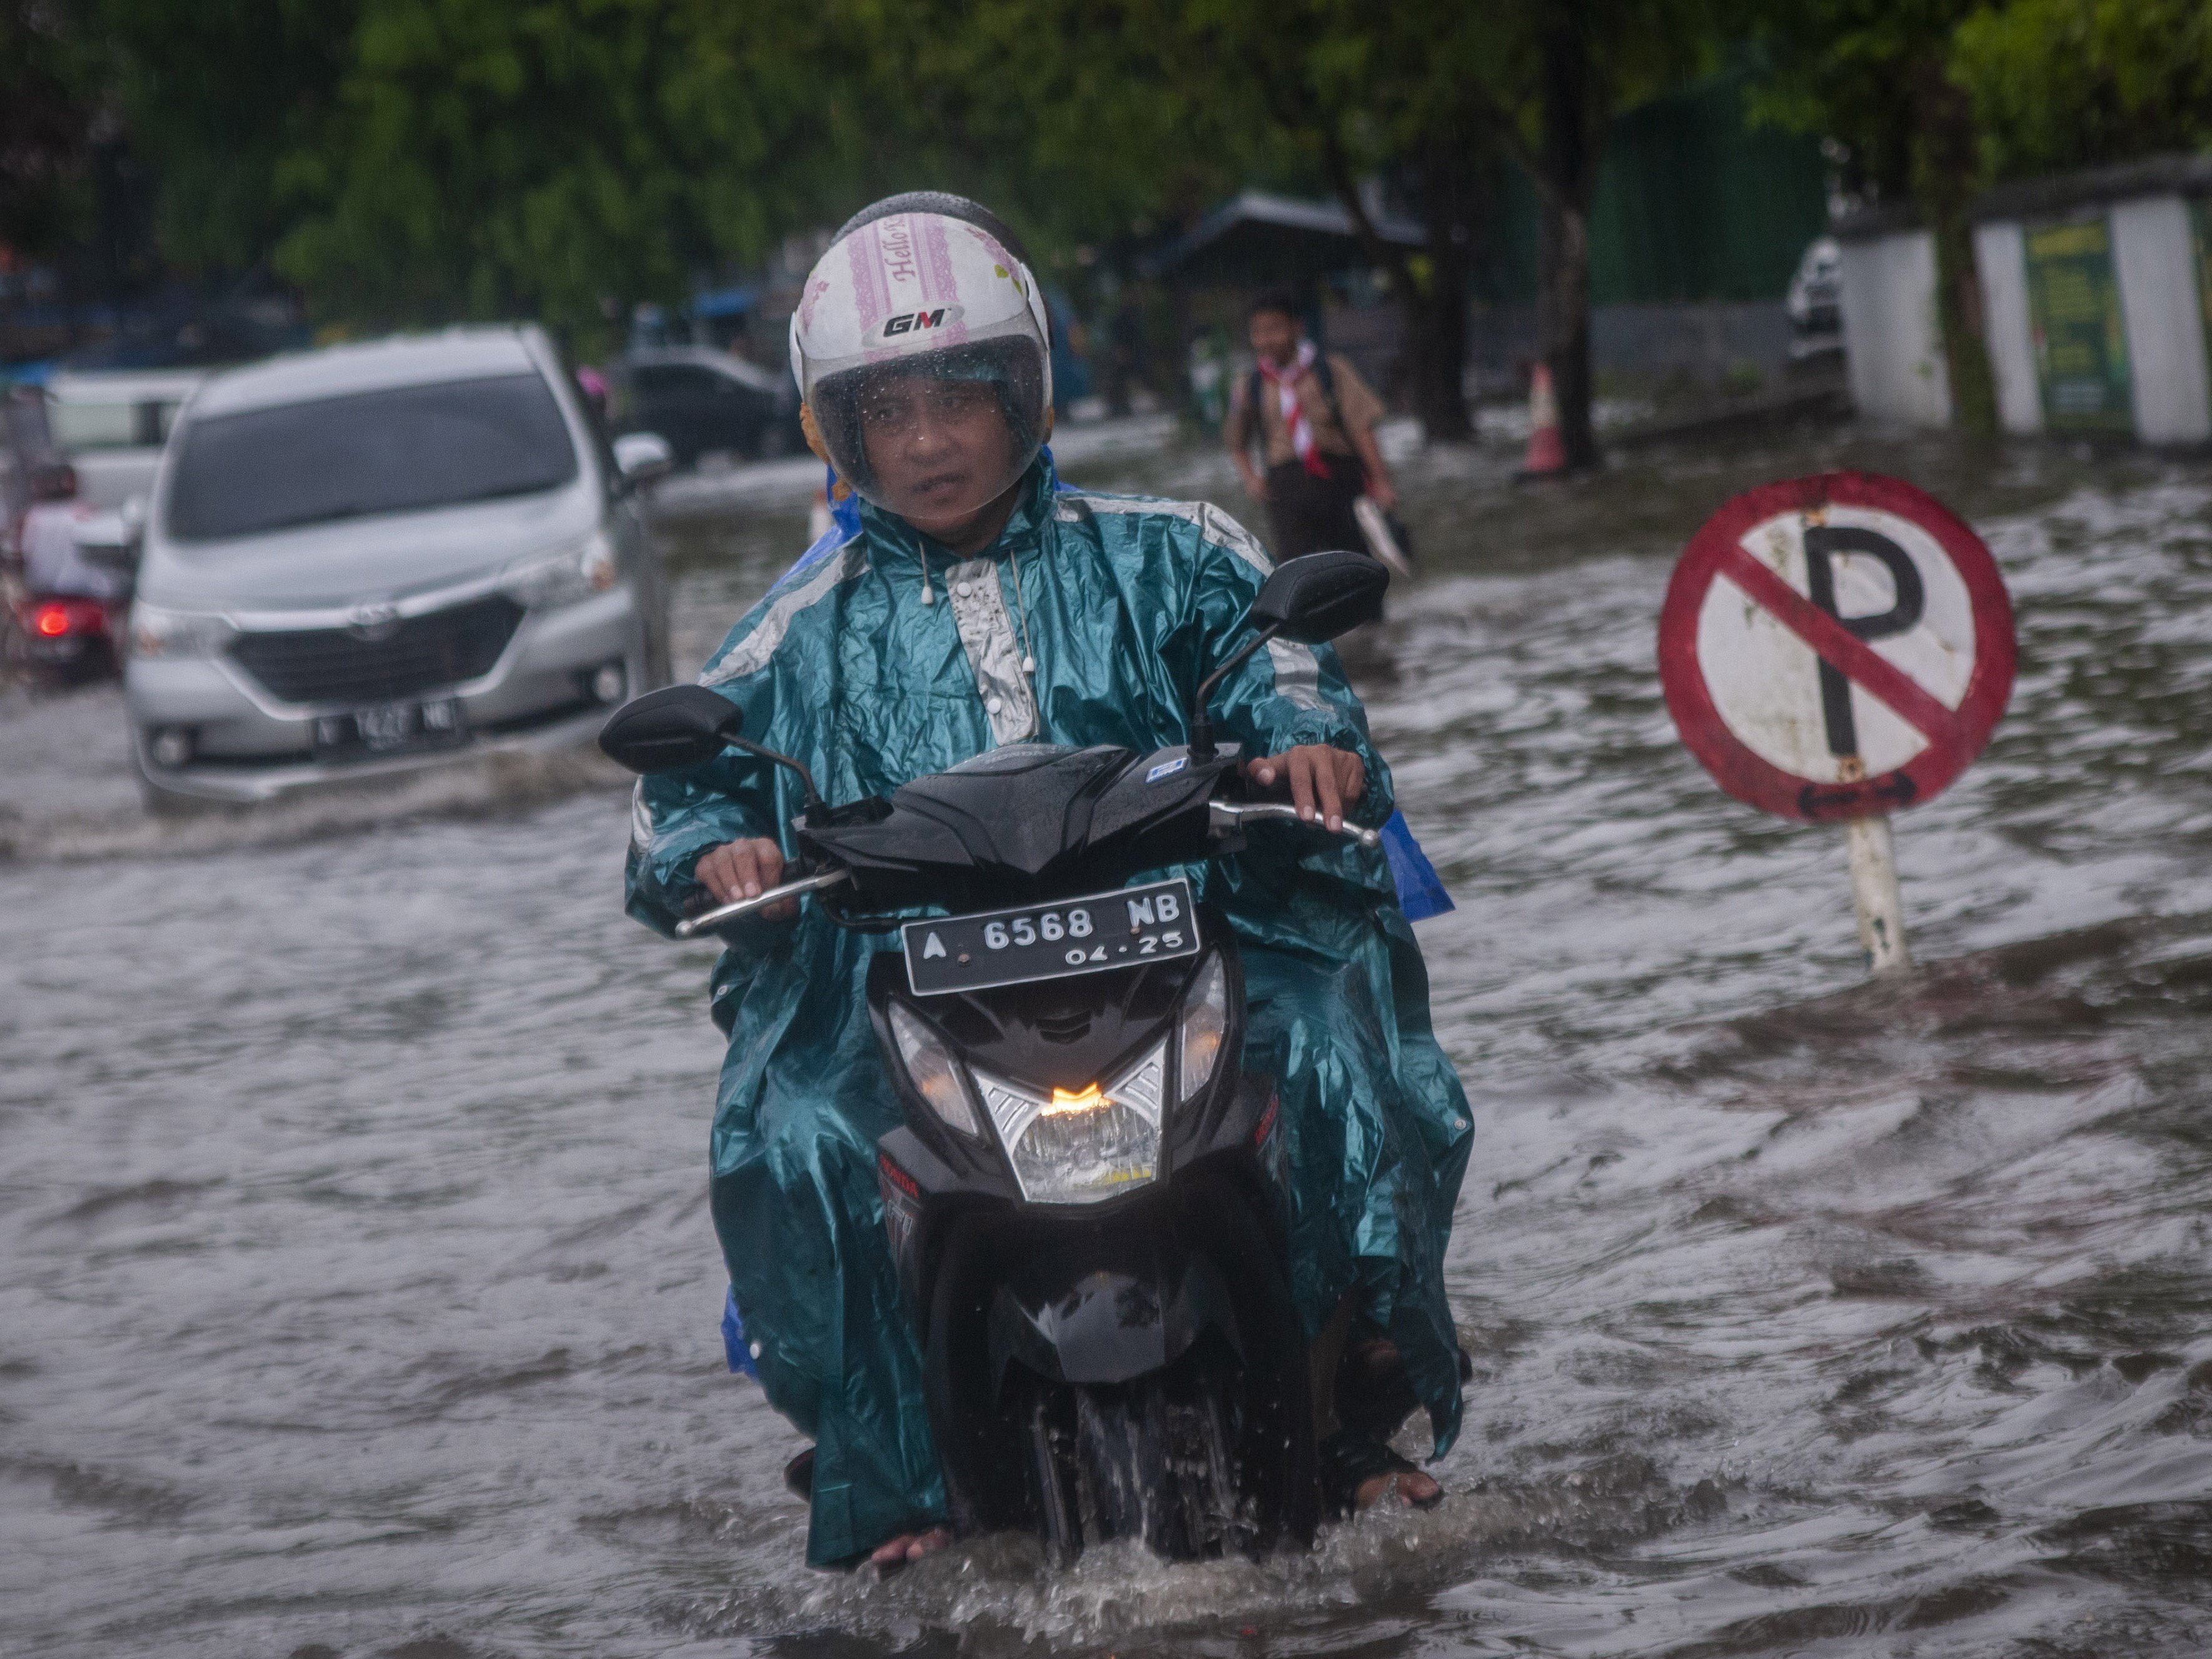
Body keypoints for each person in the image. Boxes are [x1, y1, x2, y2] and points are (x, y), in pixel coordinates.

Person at [624, 194, 1472, 1572]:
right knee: (792, 1139)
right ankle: (894, 1485)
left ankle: (1352, 1418)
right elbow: (684, 781)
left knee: (1323, 1049)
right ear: (834, 430)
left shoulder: (1171, 547)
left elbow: (1281, 659)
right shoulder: (793, 626)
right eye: (883, 411)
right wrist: (713, 843)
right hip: (902, 994)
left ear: (1024, 386)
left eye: (955, 397)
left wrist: (1305, 739)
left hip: (1182, 949)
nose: (924, 440)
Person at [1224, 292, 1399, 561]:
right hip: (1286, 486)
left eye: (1275, 329)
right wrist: (1251, 479)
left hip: (1338, 478)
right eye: (1258, 332)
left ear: (1297, 328)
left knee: (1351, 562)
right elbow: (1237, 441)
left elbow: (1361, 428)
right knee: (1298, 569)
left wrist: (1380, 480)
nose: (1266, 340)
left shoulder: (1330, 370)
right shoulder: (1251, 384)